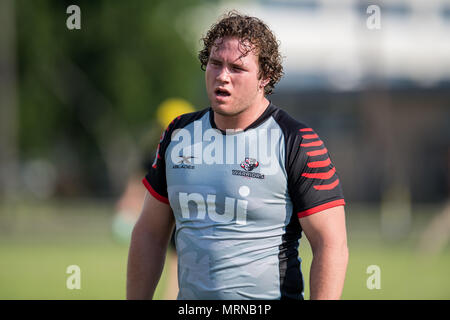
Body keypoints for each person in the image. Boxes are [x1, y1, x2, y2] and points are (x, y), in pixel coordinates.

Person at [127, 11, 348, 300]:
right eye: (215, 64)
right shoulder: (178, 134)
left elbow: (330, 243)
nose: (222, 76)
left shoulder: (297, 141)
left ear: (264, 77)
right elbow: (149, 233)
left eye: (237, 68)